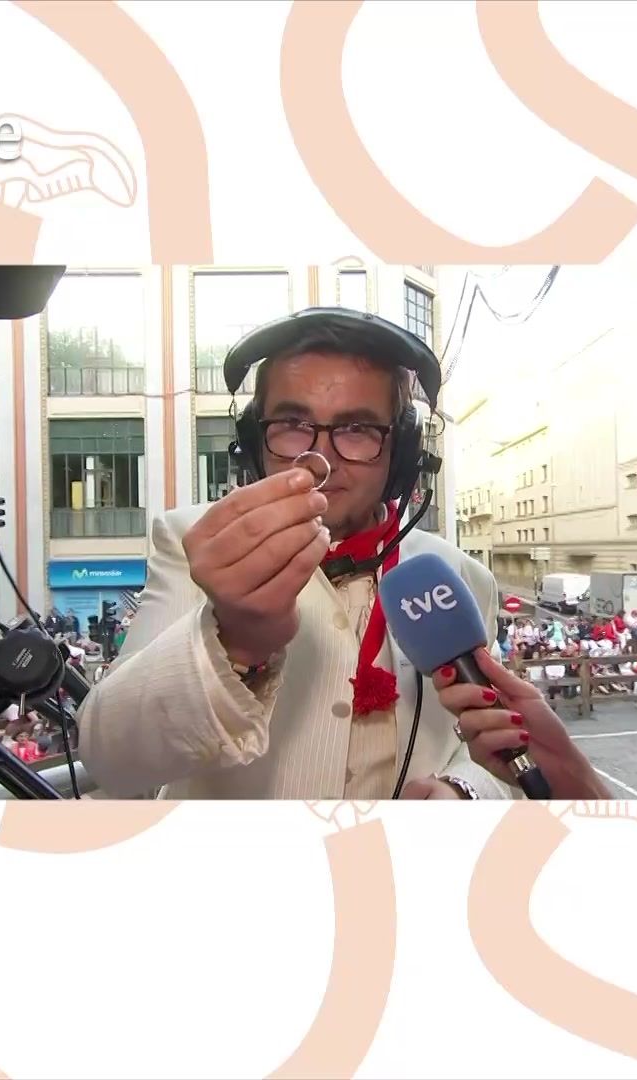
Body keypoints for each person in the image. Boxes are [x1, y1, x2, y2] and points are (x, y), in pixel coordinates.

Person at [76, 309, 609, 800]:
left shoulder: (463, 576)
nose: (320, 458)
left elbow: (488, 739)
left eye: (357, 429)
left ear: (403, 452)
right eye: (292, 425)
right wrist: (233, 640)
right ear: (253, 441)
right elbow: (111, 758)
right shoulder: (192, 541)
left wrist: (464, 791)